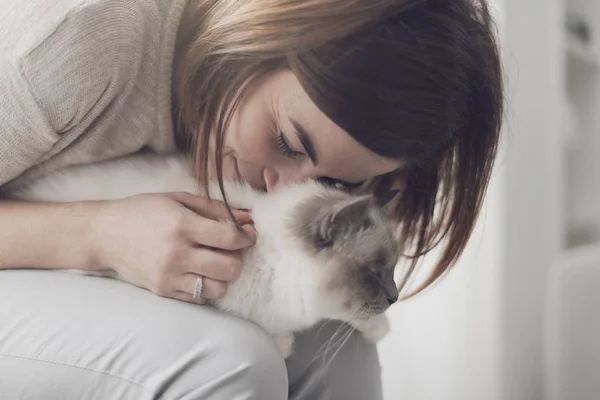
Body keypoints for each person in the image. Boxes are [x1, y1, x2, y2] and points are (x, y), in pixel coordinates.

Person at [0, 0, 503, 398]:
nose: (282, 189)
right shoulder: (87, 40)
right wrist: (100, 235)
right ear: (261, 32)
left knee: (338, 349)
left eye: (338, 182)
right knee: (229, 362)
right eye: (288, 142)